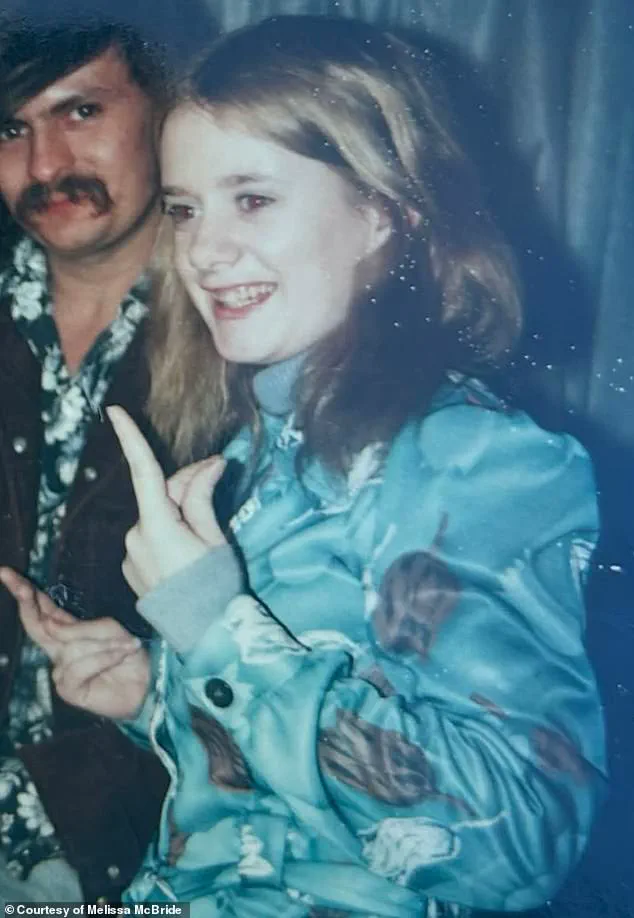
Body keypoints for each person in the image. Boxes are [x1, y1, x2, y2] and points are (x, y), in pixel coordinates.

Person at [2, 15, 606, 917]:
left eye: (252, 199)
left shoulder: (483, 460)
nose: (201, 251)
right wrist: (150, 692)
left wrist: (212, 625)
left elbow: (518, 844)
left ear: (383, 211)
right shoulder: (262, 444)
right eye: (185, 209)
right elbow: (272, 786)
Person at [0, 17, 173, 904]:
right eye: (11, 127)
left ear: (165, 114)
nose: (43, 164)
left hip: (137, 856)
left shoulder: (248, 330)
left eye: (82, 111)